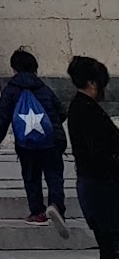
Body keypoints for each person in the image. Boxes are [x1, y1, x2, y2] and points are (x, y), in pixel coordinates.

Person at [0, 47, 68, 233]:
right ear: (35, 69)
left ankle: (37, 213)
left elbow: (4, 116)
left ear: (14, 69)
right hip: (51, 141)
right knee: (54, 176)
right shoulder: (44, 88)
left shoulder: (10, 91)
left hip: (26, 144)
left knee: (31, 177)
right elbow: (61, 112)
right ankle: (56, 206)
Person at [68, 56, 119, 259]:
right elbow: (100, 153)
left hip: (96, 186)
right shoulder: (87, 111)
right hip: (102, 188)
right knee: (111, 246)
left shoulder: (81, 107)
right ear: (92, 83)